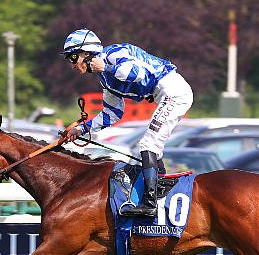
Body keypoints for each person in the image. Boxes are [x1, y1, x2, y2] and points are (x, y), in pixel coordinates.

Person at [61, 28, 193, 217]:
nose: (72, 65)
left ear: (86, 53)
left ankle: (150, 203)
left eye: (73, 57)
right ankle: (160, 188)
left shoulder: (114, 53)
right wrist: (81, 129)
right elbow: (112, 114)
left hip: (174, 91)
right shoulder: (105, 80)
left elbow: (136, 73)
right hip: (166, 95)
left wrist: (105, 67)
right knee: (149, 145)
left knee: (148, 144)